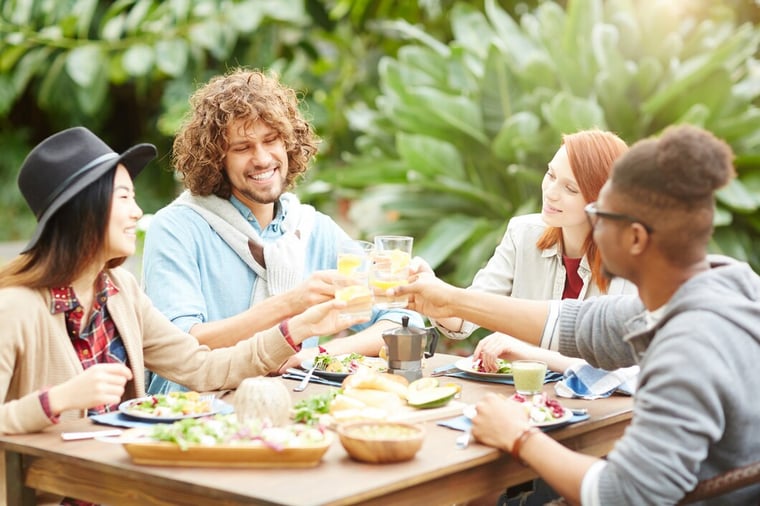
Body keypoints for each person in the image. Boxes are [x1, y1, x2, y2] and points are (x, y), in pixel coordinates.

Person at [394, 124, 760, 505]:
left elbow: (623, 496)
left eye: (601, 214)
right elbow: (578, 324)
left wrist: (519, 436)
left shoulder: (687, 349)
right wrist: (450, 301)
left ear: (635, 238)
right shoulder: (722, 287)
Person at [0, 126, 366, 440]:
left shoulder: (119, 292)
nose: (137, 212)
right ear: (82, 212)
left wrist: (297, 327)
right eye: (124, 197)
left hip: (120, 485)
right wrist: (57, 400)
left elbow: (202, 368)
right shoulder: (15, 307)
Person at [142, 68, 420, 395]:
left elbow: (402, 320)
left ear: (288, 143)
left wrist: (317, 354)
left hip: (289, 415)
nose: (262, 159)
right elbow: (181, 347)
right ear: (216, 159)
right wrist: (290, 307)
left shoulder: (313, 229)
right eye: (242, 147)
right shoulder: (177, 228)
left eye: (271, 140)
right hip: (191, 419)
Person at [429, 129, 636, 373]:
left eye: (570, 189)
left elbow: (624, 368)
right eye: (550, 174)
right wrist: (431, 294)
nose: (550, 192)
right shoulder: (523, 233)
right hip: (524, 397)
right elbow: (464, 319)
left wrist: (528, 353)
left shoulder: (629, 260)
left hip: (599, 407)